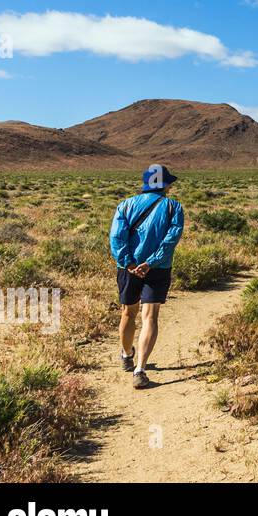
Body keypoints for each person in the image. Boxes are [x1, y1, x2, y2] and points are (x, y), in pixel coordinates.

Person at [109, 164, 185, 389]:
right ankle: (140, 369)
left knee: (127, 313)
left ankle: (126, 354)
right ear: (166, 185)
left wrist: (130, 262)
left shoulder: (125, 205)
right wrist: (150, 263)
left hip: (128, 269)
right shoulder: (174, 208)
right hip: (158, 268)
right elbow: (171, 240)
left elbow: (116, 237)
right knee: (149, 317)